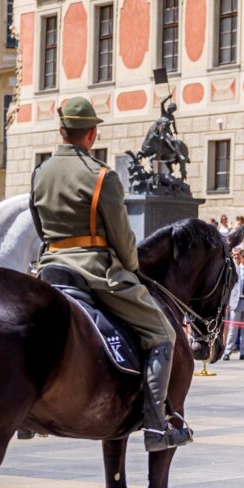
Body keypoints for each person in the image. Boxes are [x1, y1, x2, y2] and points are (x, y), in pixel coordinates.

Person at [30, 98, 188, 452]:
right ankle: (156, 426)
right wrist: (131, 265)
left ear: (61, 132)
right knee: (162, 333)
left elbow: (40, 226)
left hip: (51, 267)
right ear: (91, 134)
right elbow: (120, 235)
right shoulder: (101, 175)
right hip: (94, 271)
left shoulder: (40, 173)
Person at [223, 250, 244, 361]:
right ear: (241, 258)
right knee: (233, 329)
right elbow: (228, 288)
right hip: (236, 302)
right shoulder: (234, 271)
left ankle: (243, 352)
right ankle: (227, 351)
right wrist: (227, 303)